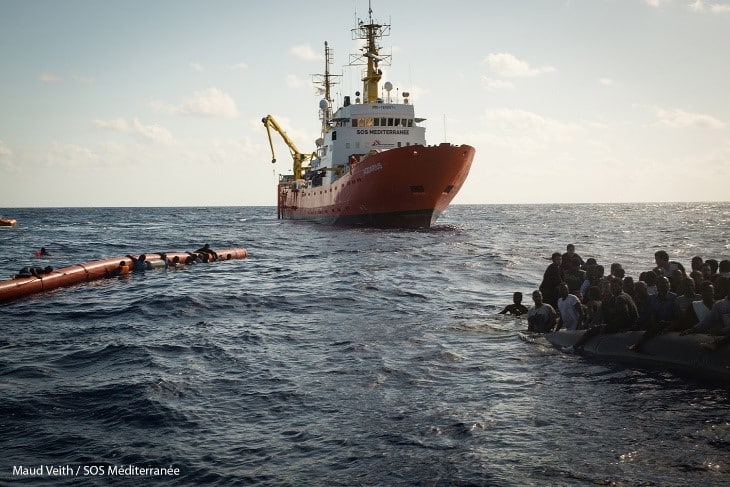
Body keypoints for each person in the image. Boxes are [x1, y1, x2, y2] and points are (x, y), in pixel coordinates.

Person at [562, 277, 638, 353]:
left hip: (626, 326)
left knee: (593, 330)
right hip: (632, 325)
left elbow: (624, 316)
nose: (613, 289)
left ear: (621, 286)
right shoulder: (626, 296)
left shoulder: (620, 298)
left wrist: (607, 327)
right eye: (612, 287)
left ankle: (573, 348)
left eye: (615, 287)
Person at [627, 276, 680, 353]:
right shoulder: (652, 298)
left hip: (669, 324)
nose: (665, 284)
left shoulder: (674, 297)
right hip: (655, 324)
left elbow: (678, 317)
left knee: (661, 323)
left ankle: (638, 345)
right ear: (657, 285)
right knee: (652, 322)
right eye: (662, 283)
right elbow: (645, 315)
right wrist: (634, 327)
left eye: (667, 282)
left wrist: (669, 328)